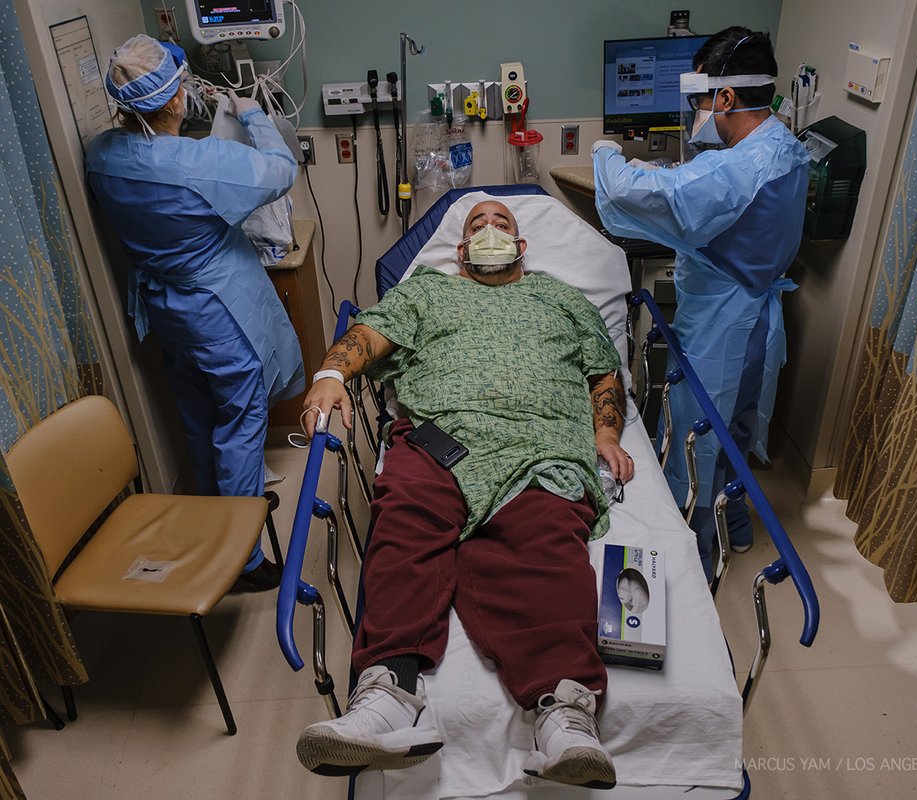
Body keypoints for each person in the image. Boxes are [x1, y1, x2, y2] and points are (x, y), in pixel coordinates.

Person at [294, 201, 633, 790]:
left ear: (523, 246)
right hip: (438, 437)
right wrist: (330, 375)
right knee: (404, 521)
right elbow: (368, 336)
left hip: (541, 444)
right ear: (459, 250)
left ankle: (565, 715)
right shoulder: (429, 292)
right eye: (477, 225)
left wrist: (605, 430)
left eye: (502, 224)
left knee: (546, 541)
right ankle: (388, 695)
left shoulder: (563, 298)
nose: (490, 231)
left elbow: (604, 372)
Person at [85, 35, 304, 590]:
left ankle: (219, 515)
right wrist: (253, 114)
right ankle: (243, 560)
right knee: (240, 420)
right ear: (178, 98)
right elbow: (279, 169)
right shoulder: (200, 162)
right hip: (216, 308)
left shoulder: (104, 156)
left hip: (165, 308)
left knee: (198, 415)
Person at [592, 27, 808, 575]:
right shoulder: (785, 146)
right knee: (732, 427)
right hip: (756, 316)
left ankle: (689, 555)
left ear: (726, 98)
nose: (699, 112)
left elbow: (633, 194)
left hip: (722, 323)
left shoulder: (736, 167)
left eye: (702, 100)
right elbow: (703, 188)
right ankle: (733, 527)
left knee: (695, 437)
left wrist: (607, 153)